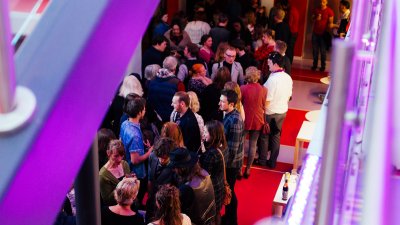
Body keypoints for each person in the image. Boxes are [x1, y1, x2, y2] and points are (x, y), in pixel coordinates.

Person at [260, 52, 292, 168]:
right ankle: (273, 161)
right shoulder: (288, 77)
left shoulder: (272, 80)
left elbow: (267, 100)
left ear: (275, 64)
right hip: (282, 111)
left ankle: (262, 160)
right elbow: (289, 96)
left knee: (264, 136)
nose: (268, 65)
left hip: (270, 112)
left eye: (269, 63)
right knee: (276, 136)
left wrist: (261, 109)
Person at [169, 147, 216, 225]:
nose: (173, 170)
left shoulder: (186, 189)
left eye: (175, 167)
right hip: (211, 219)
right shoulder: (204, 173)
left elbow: (179, 212)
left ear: (182, 169)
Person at [120, 97, 153, 206]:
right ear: (139, 112)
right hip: (137, 174)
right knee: (135, 200)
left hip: (128, 168)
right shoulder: (135, 135)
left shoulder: (125, 123)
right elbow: (135, 160)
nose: (145, 111)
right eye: (144, 109)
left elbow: (122, 142)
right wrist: (149, 152)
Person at [219, 89, 244, 225]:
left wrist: (224, 165)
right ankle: (229, 218)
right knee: (229, 191)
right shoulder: (229, 114)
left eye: (223, 101)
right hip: (230, 162)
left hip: (231, 164)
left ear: (232, 104)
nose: (220, 103)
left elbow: (232, 149)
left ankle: (231, 220)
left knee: (229, 192)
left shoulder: (235, 120)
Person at [240, 67, 267, 178]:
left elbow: (240, 104)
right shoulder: (264, 89)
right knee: (253, 145)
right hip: (258, 119)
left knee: (241, 145)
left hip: (245, 119)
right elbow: (264, 105)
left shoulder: (243, 88)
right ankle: (248, 169)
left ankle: (239, 170)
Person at [200, 120, 227, 225]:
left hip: (212, 191)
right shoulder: (221, 147)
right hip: (219, 188)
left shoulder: (211, 154)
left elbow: (204, 175)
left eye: (206, 132)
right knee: (217, 214)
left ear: (213, 134)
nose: (203, 134)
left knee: (210, 218)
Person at [146, 138, 178, 222]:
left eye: (165, 158)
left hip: (166, 205)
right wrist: (150, 197)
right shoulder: (152, 156)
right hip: (152, 201)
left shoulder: (176, 166)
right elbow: (150, 179)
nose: (162, 160)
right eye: (160, 157)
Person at [147, 56, 185, 122]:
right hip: (171, 120)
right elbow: (183, 105)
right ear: (175, 68)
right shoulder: (178, 83)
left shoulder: (151, 81)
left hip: (155, 119)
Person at [99, 140, 131, 206]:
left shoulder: (125, 164)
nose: (119, 159)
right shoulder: (103, 175)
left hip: (129, 205)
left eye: (122, 155)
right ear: (108, 153)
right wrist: (121, 185)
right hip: (115, 209)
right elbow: (107, 201)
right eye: (116, 156)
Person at [311, 0, 334, 72]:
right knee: (315, 50)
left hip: (323, 34)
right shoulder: (316, 9)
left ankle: (323, 66)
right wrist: (315, 19)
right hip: (315, 33)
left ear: (326, 2)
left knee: (323, 51)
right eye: (321, 2)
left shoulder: (330, 11)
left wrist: (328, 29)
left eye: (323, 2)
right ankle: (314, 65)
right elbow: (311, 19)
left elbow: (331, 23)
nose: (322, 3)